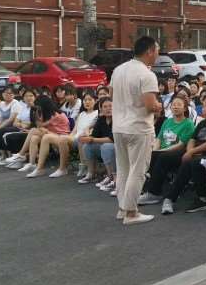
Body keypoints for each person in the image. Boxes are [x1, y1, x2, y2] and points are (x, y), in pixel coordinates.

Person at [110, 36, 163, 225]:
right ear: (149, 51)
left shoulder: (118, 70)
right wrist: (158, 105)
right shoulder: (147, 75)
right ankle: (131, 212)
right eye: (157, 50)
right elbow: (150, 105)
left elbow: (111, 95)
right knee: (138, 171)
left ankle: (122, 209)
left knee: (123, 169)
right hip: (139, 128)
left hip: (118, 126)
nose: (158, 53)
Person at [160, 94, 206, 214]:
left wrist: (192, 152)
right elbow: (192, 139)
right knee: (166, 156)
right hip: (195, 153)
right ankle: (157, 191)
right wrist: (189, 151)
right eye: (205, 105)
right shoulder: (203, 123)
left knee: (191, 162)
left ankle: (196, 198)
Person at [137, 96, 196, 205]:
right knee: (149, 154)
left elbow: (181, 145)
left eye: (179, 105)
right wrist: (154, 151)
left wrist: (160, 152)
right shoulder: (167, 121)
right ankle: (144, 188)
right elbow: (159, 139)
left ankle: (154, 193)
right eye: (173, 104)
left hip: (178, 153)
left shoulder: (188, 124)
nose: (175, 107)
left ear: (185, 108)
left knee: (161, 156)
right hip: (163, 152)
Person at [41, 91, 99, 178]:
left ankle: (63, 168)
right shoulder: (81, 114)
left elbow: (93, 130)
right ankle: (41, 167)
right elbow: (74, 130)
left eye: (90, 100)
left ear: (96, 101)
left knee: (65, 138)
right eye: (85, 100)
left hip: (85, 138)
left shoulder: (97, 113)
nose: (87, 102)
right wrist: (69, 137)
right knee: (49, 137)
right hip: (75, 138)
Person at [23, 95, 71, 177]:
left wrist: (43, 129)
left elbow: (40, 126)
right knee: (35, 137)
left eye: (39, 106)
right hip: (52, 134)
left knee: (36, 132)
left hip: (62, 136)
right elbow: (40, 126)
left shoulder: (57, 115)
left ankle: (22, 154)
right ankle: (32, 163)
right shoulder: (46, 114)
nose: (38, 108)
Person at [81, 97, 116, 191]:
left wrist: (92, 139)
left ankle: (111, 177)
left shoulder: (118, 119)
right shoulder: (101, 119)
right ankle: (91, 173)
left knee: (106, 147)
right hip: (105, 145)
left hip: (118, 146)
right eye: (105, 107)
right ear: (100, 109)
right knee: (87, 147)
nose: (108, 109)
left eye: (111, 106)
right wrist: (87, 138)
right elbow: (94, 135)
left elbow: (112, 139)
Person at [0, 88, 36, 167]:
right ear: (23, 98)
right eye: (26, 96)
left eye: (31, 96)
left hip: (29, 130)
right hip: (19, 128)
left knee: (10, 136)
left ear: (35, 97)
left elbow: (33, 123)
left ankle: (17, 159)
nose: (29, 98)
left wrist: (23, 124)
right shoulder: (23, 108)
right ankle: (7, 157)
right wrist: (21, 124)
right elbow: (15, 122)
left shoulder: (37, 108)